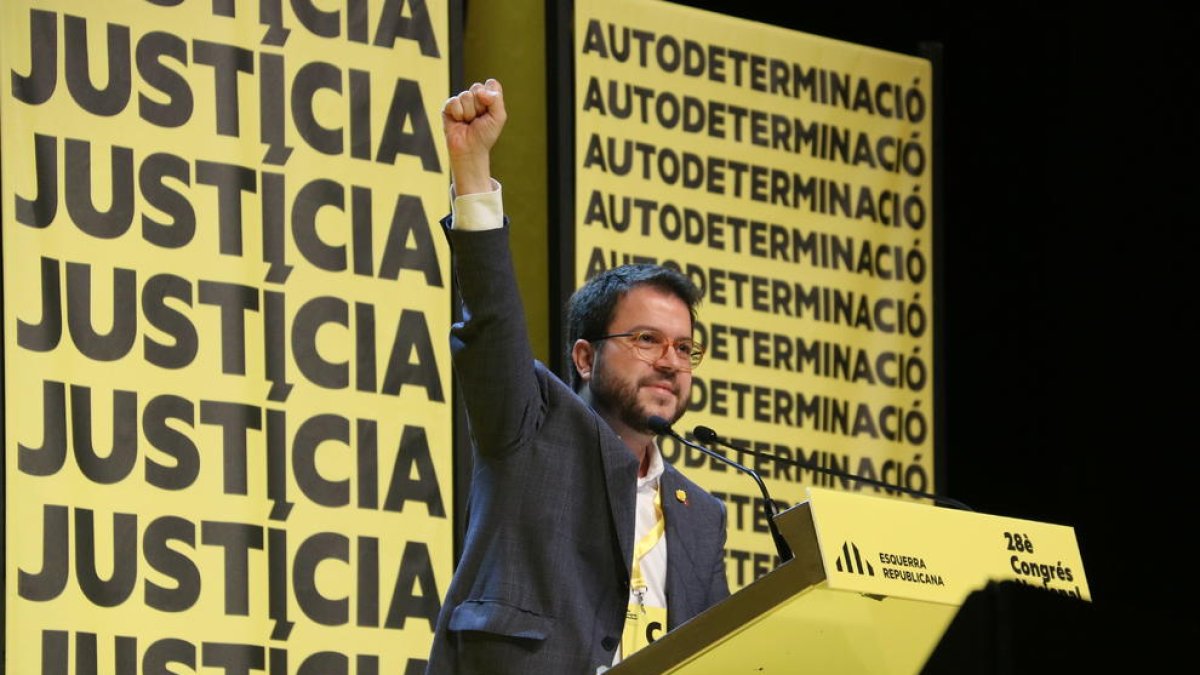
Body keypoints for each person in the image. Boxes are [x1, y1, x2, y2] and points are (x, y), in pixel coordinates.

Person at [426, 79, 729, 675]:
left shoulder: (702, 513)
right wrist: (471, 166)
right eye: (646, 340)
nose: (670, 361)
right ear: (585, 358)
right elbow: (492, 320)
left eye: (685, 348)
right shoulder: (530, 427)